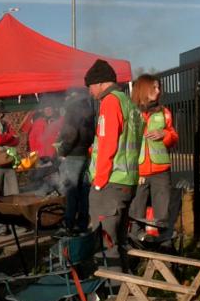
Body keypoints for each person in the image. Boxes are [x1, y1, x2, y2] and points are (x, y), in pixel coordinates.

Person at [85, 60, 143, 269]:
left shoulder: (109, 102)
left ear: (100, 83)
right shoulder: (128, 103)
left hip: (109, 183)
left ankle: (113, 294)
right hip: (127, 181)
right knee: (119, 241)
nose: (90, 91)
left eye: (90, 86)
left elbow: (108, 143)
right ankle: (125, 287)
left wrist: (99, 182)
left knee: (105, 243)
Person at [128, 75, 179, 243]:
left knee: (162, 214)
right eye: (154, 88)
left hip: (161, 171)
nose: (158, 91)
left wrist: (165, 134)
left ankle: (164, 246)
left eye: (159, 88)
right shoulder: (131, 113)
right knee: (136, 213)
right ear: (143, 90)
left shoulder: (164, 112)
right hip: (138, 172)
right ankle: (137, 247)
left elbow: (173, 136)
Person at [56, 89, 95, 234]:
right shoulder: (89, 111)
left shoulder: (73, 111)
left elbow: (70, 134)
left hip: (72, 156)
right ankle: (82, 224)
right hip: (85, 155)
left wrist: (62, 151)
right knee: (84, 192)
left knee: (71, 192)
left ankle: (69, 225)